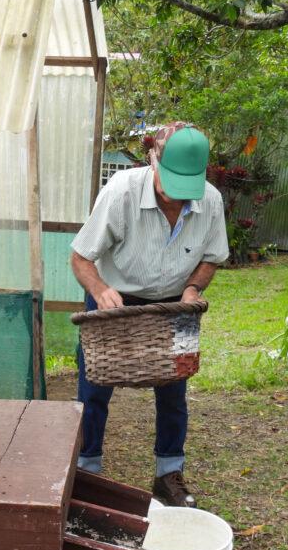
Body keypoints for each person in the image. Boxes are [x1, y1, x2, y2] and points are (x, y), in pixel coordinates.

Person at [70, 122, 228, 507]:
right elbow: (81, 257)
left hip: (174, 303)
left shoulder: (211, 201)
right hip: (115, 302)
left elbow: (211, 258)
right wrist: (99, 290)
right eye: (168, 184)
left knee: (174, 391)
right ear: (154, 161)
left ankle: (168, 474)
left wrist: (193, 289)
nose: (175, 198)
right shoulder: (121, 192)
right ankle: (86, 473)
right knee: (94, 390)